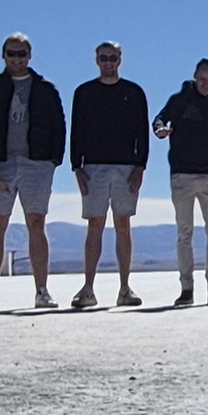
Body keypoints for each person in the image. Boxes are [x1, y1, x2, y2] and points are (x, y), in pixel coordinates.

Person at [0, 33, 65, 312]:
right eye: (11, 53)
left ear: (30, 56)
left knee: (36, 223)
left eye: (21, 54)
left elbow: (59, 125)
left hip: (36, 164)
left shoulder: (45, 89)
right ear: (3, 55)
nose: (16, 59)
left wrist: (53, 160)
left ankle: (42, 291)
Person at [67, 40, 152, 311]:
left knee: (123, 224)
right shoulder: (84, 93)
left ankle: (125, 288)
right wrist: (76, 166)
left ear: (120, 60)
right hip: (93, 167)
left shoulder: (134, 92)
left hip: (126, 167)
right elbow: (77, 130)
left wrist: (140, 167)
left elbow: (142, 132)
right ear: (97, 61)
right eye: (104, 58)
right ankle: (88, 288)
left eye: (113, 58)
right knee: (95, 224)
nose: (108, 63)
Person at [156, 57, 208, 307]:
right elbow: (160, 119)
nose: (206, 83)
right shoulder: (180, 100)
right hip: (182, 176)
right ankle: (186, 289)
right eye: (203, 79)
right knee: (185, 233)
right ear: (195, 76)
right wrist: (160, 129)